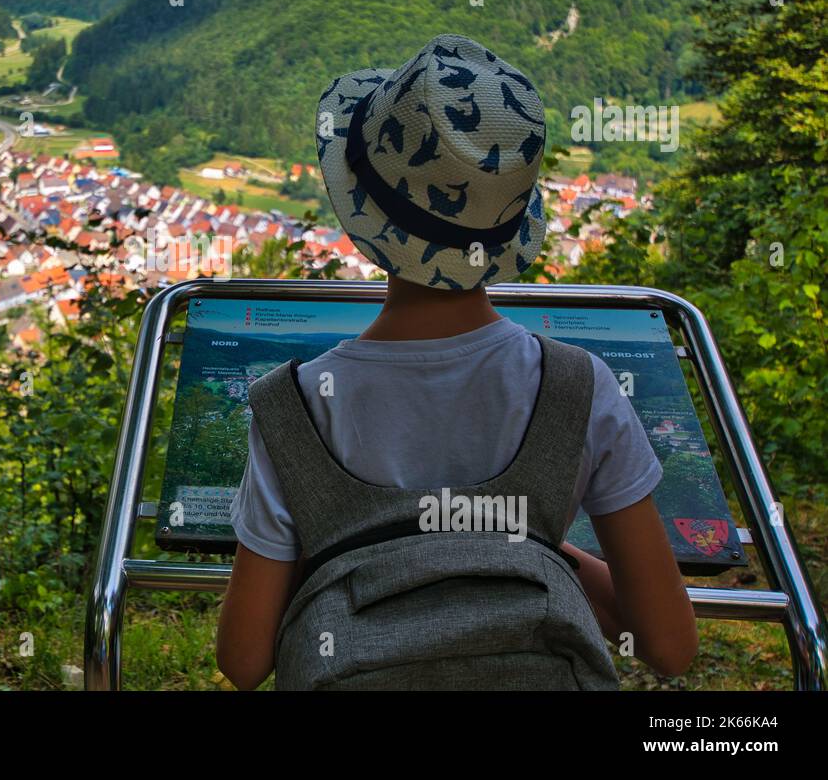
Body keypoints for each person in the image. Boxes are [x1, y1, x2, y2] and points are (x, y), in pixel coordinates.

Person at [215, 34, 697, 690]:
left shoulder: (300, 405)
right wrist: (520, 547)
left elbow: (244, 661)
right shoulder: (579, 389)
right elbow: (668, 644)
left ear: (366, 219)